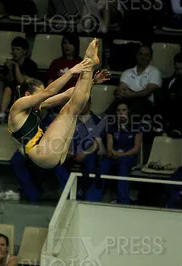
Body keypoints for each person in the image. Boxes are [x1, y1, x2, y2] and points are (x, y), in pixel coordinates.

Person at [8, 38, 108, 169]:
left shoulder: (36, 106)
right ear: (27, 95)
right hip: (42, 153)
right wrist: (71, 71)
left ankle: (89, 64)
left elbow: (67, 94)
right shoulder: (18, 106)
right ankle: (89, 61)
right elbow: (49, 92)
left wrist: (92, 82)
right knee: (69, 110)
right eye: (39, 93)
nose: (41, 99)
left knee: (73, 109)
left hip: (52, 155)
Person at [86, 101, 143, 204]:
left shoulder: (136, 126)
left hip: (129, 156)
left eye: (124, 110)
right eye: (118, 110)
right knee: (103, 165)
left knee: (123, 167)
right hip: (114, 156)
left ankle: (123, 201)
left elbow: (136, 148)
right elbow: (109, 145)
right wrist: (112, 152)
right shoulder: (112, 126)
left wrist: (123, 154)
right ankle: (92, 199)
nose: (121, 113)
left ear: (128, 111)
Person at [0, 36, 39, 124]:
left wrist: (16, 67)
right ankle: (2, 115)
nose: (14, 52)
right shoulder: (10, 63)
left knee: (19, 87)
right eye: (13, 49)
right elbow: (10, 81)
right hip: (12, 95)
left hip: (26, 95)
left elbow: (21, 81)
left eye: (18, 49)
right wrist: (10, 69)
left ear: (24, 51)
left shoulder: (31, 65)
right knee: (8, 88)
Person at [113, 44, 162, 119]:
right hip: (127, 101)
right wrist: (118, 92)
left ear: (150, 58)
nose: (142, 57)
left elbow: (149, 90)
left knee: (135, 105)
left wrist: (133, 95)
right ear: (136, 55)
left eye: (146, 55)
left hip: (146, 104)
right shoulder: (127, 72)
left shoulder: (155, 72)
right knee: (117, 104)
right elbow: (121, 88)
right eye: (140, 54)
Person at [160, 52, 182, 137]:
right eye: (177, 69)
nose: (180, 71)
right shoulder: (169, 82)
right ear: (174, 67)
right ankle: (174, 128)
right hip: (173, 111)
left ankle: (175, 128)